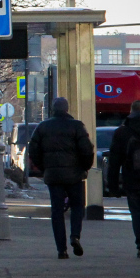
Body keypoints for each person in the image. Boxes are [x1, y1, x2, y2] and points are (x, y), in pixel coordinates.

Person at [28, 96, 95, 258]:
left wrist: (45, 168)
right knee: (77, 206)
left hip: (54, 175)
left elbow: (33, 150)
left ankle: (61, 249)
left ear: (52, 109)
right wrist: (84, 168)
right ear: (67, 109)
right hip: (75, 175)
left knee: (57, 211)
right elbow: (87, 150)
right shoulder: (77, 126)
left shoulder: (43, 127)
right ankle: (75, 236)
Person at [107, 100, 140, 258]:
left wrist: (113, 185)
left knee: (136, 213)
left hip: (132, 180)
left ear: (131, 111)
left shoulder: (122, 132)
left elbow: (114, 161)